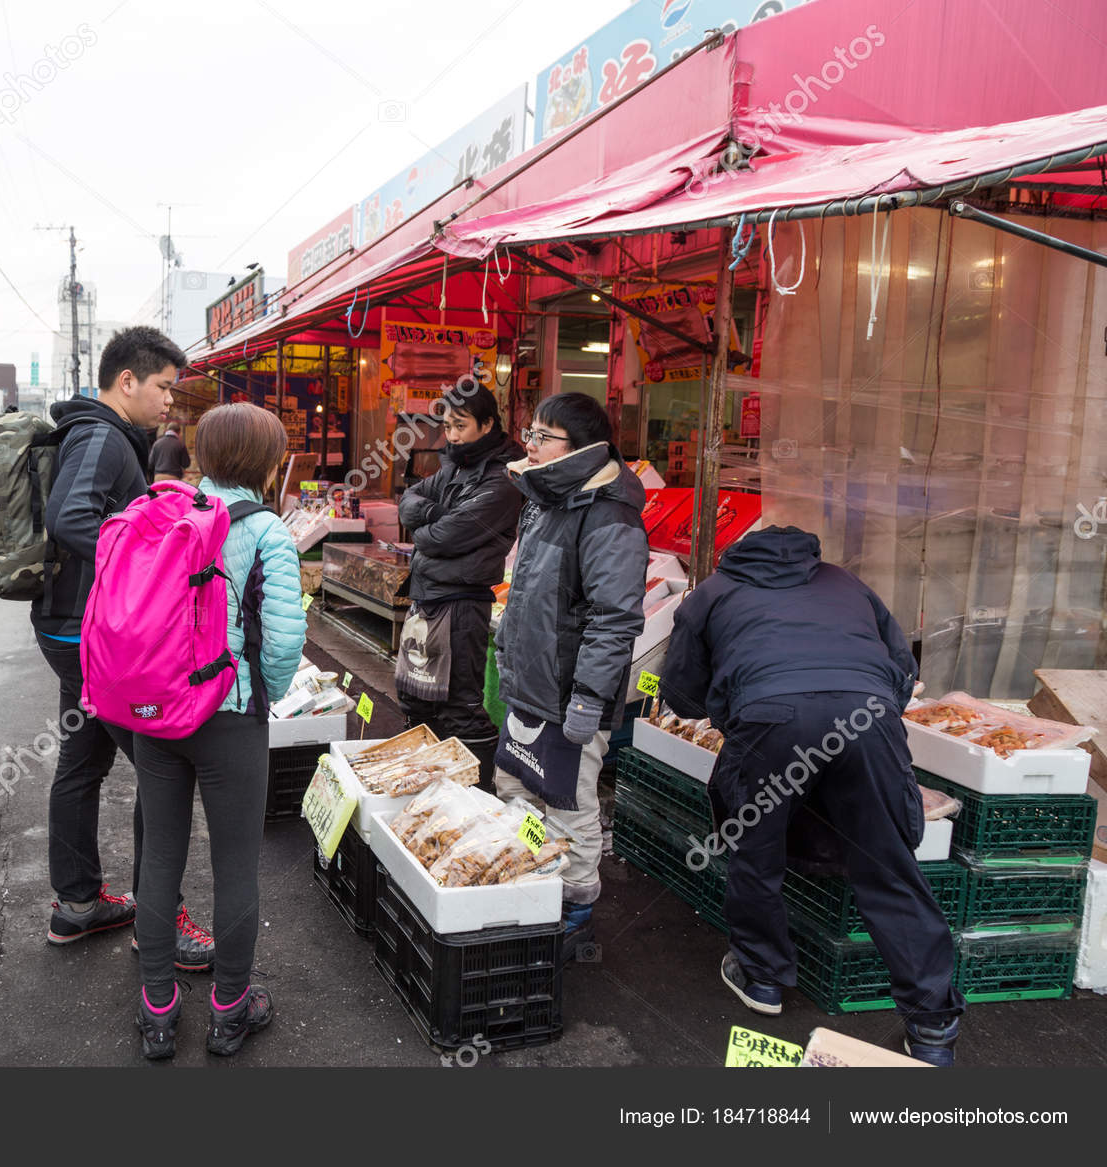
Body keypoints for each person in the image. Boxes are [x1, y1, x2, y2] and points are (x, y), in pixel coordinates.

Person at [659, 525, 965, 1065]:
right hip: (867, 717)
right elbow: (903, 671)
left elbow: (681, 694)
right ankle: (933, 1022)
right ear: (812, 554)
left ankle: (763, 978)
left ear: (733, 555)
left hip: (772, 721)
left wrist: (736, 704)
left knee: (756, 852)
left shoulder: (712, 591)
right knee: (890, 867)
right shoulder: (847, 583)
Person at [33, 326, 214, 972]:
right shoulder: (104, 436)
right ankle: (159, 926)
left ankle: (78, 904)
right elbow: (68, 515)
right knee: (165, 768)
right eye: (165, 386)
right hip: (96, 638)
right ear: (127, 381)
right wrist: (144, 563)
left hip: (75, 628)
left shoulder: (100, 434)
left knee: (83, 763)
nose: (171, 400)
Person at [133, 404, 306, 1060]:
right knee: (235, 863)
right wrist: (268, 692)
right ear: (266, 463)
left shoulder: (162, 509)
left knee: (159, 858)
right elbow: (285, 636)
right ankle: (229, 1010)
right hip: (229, 716)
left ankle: (157, 1011)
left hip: (155, 710)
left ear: (203, 455)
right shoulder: (266, 529)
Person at [493, 392, 646, 963]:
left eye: (541, 436)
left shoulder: (608, 512)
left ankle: (575, 908)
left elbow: (615, 617)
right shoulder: (545, 497)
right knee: (519, 790)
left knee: (569, 802)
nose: (528, 444)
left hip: (569, 694)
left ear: (580, 447)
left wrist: (588, 697)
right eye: (529, 432)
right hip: (528, 686)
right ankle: (529, 883)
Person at [395, 379, 522, 789]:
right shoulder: (455, 463)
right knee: (417, 696)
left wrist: (425, 529)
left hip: (463, 603)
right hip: (427, 595)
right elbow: (409, 499)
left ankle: (478, 795)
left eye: (460, 426)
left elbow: (444, 535)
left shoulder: (504, 477)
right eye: (447, 426)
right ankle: (432, 785)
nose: (451, 436)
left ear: (487, 424)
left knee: (459, 704)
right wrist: (434, 515)